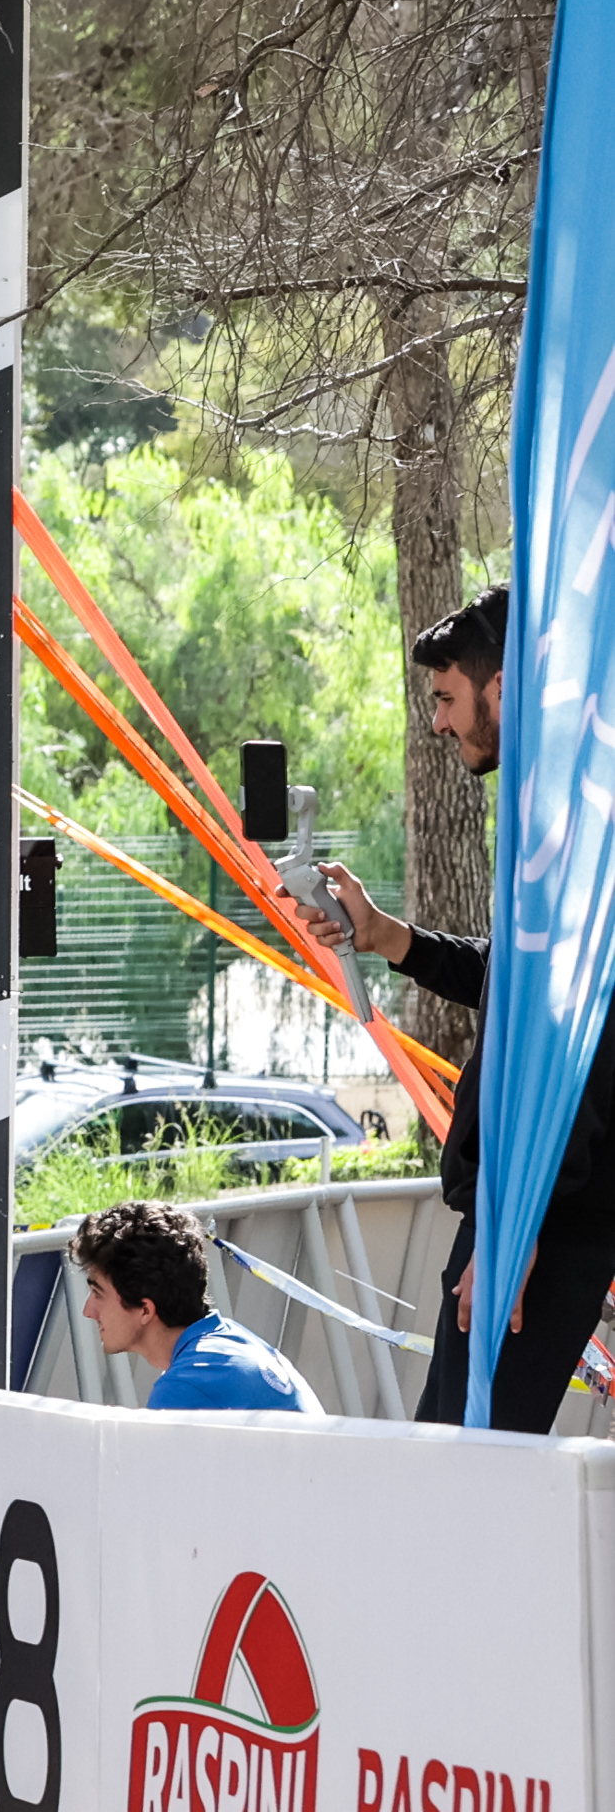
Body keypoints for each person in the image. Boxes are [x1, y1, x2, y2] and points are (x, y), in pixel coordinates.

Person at [314, 586, 615, 1431]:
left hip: (540, 1220)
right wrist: (384, 936)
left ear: (503, 686)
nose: (438, 724)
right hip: (519, 1214)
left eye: (446, 698)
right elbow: (515, 983)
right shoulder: (549, 813)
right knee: (448, 1452)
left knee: (464, 1467)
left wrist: (513, 1234)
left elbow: (571, 1044)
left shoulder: (575, 822)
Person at [73, 1199, 319, 1413]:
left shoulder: (187, 1386)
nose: (88, 1311)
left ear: (146, 1310)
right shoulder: (229, 1344)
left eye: (97, 1293)